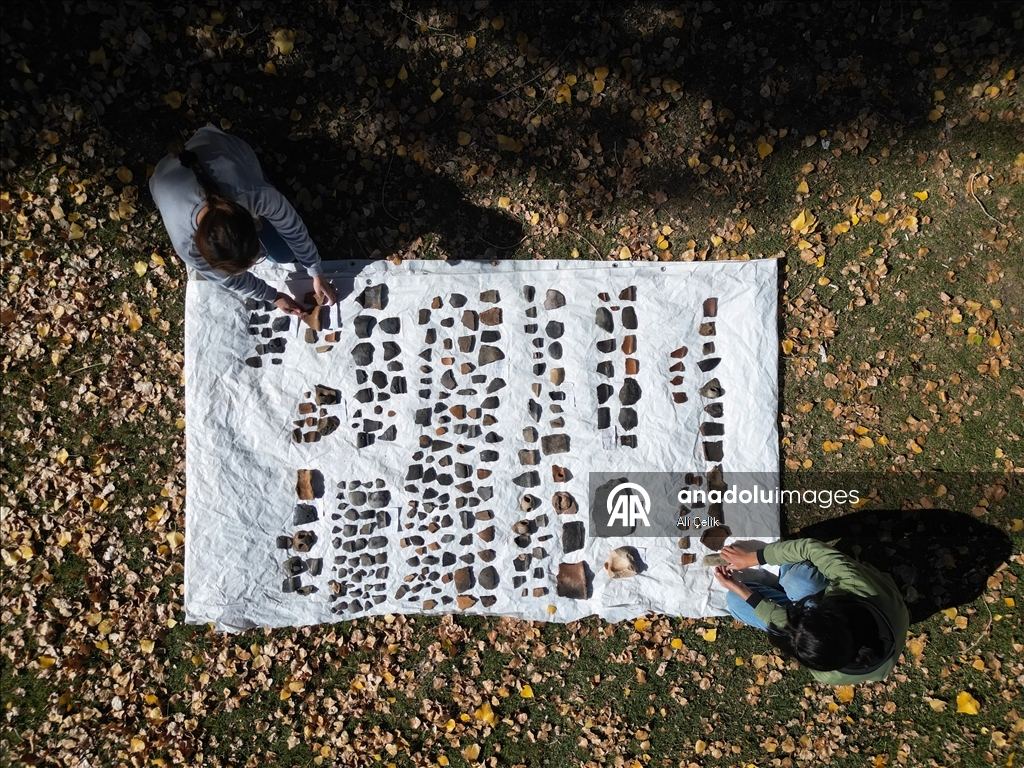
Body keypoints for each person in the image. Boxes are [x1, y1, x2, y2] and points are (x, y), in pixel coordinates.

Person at [149, 126, 336, 315]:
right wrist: (272, 296)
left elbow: (292, 226)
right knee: (282, 254)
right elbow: (226, 279)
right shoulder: (186, 245)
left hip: (223, 147)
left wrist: (315, 271)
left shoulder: (254, 195)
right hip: (165, 175)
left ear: (254, 222)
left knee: (284, 254)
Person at [713, 538, 909, 684]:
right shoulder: (853, 583)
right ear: (827, 612)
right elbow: (811, 547)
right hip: (856, 600)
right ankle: (786, 578)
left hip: (843, 616)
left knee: (736, 601)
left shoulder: (827, 671)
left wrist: (740, 590)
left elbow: (795, 631)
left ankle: (783, 582)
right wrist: (754, 557)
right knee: (797, 581)